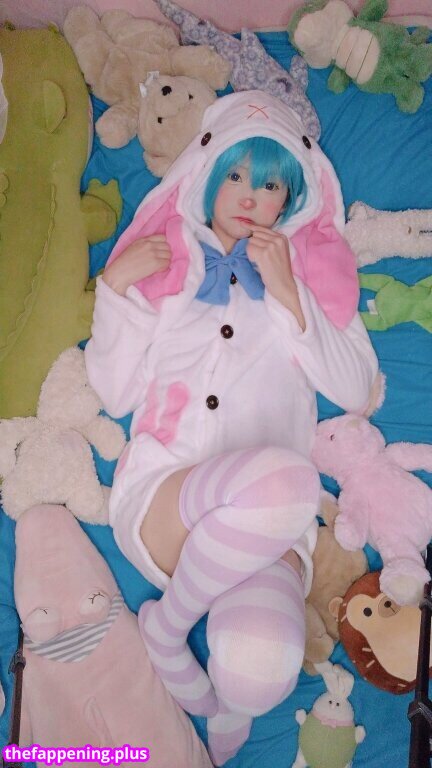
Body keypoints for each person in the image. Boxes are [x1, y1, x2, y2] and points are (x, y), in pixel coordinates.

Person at [85, 91, 378, 765]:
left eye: (270, 184)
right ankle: (172, 625)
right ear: (209, 174)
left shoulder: (306, 274)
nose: (249, 195)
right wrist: (116, 288)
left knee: (263, 671)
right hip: (168, 503)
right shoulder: (168, 259)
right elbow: (114, 390)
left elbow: (354, 388)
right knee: (289, 485)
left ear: (290, 200)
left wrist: (289, 296)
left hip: (265, 541)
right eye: (238, 174)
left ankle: (185, 654)